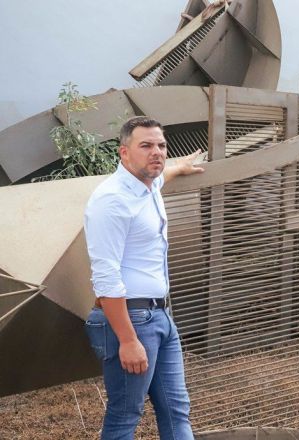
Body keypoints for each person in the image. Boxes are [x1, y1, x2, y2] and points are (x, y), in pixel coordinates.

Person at [84, 116, 204, 439]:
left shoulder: (147, 186)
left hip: (161, 316)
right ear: (124, 153)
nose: (157, 152)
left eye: (162, 146)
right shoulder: (111, 200)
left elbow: (161, 176)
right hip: (131, 319)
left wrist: (179, 167)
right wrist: (127, 340)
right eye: (146, 146)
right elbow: (105, 277)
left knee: (176, 409)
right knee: (125, 414)